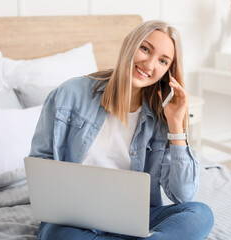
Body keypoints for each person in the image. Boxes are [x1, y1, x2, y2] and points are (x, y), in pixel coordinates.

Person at [29, 20, 214, 240]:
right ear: (130, 44)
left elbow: (183, 196)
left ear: (167, 72)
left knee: (201, 214)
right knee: (58, 236)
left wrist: (175, 125)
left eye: (163, 61)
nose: (150, 65)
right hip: (74, 218)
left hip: (136, 216)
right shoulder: (69, 94)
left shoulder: (160, 116)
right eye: (145, 49)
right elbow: (40, 162)